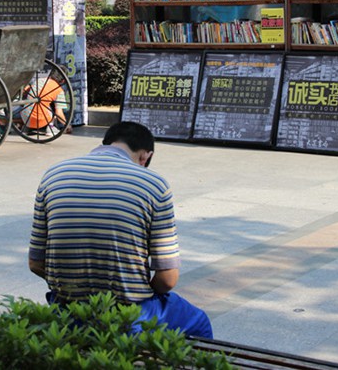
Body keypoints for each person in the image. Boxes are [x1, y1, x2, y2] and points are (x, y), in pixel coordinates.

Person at [29, 121, 213, 338]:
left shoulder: (53, 175)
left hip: (68, 311)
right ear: (145, 157)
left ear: (105, 143)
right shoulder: (154, 185)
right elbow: (167, 279)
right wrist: (136, 290)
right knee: (199, 323)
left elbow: (36, 263)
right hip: (129, 314)